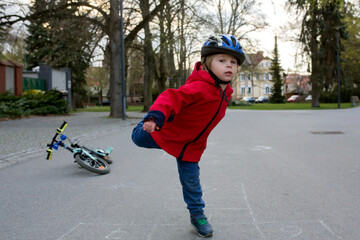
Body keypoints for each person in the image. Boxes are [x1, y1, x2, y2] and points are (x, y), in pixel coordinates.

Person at [131, 34, 245, 238]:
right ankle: (147, 121)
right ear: (207, 64)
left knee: (192, 182)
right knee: (137, 137)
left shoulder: (225, 93)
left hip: (191, 147)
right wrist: (155, 117)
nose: (229, 66)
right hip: (166, 134)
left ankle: (197, 215)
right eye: (222, 60)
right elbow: (171, 97)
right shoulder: (198, 87)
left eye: (233, 62)